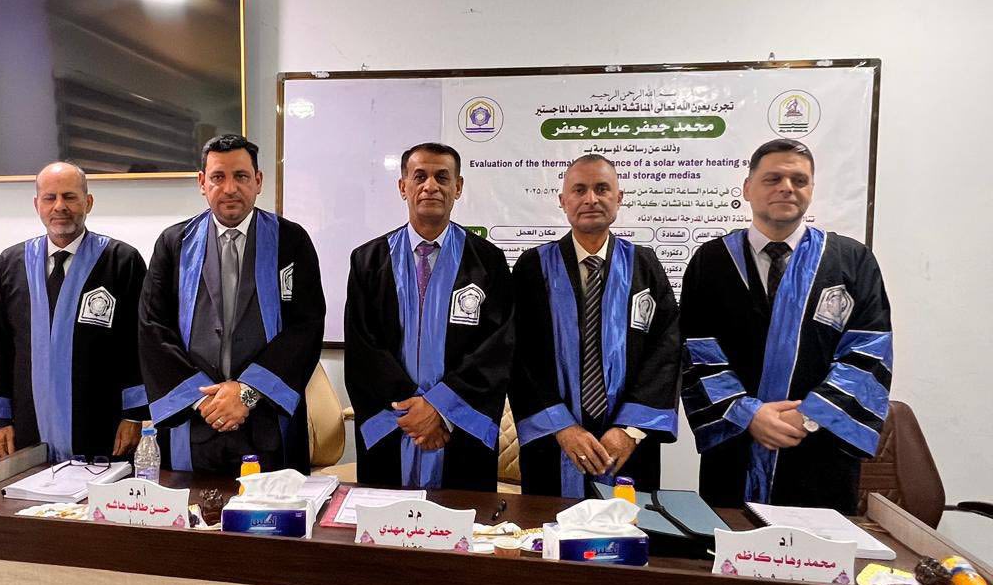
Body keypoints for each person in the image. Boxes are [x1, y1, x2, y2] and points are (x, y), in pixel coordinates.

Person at [680, 139, 893, 513]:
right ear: (748, 188)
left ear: (811, 189)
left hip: (818, 449)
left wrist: (809, 415)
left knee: (818, 548)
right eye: (773, 178)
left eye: (799, 180)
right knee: (730, 543)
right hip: (736, 448)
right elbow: (695, 352)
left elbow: (868, 353)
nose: (787, 188)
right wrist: (749, 414)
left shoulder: (851, 261)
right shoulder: (710, 262)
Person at [139, 135, 325, 474]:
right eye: (218, 177)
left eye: (240, 176)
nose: (229, 188)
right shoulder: (174, 244)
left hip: (267, 422)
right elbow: (153, 329)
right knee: (191, 506)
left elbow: (306, 327)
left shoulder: (291, 241)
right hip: (195, 422)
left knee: (273, 505)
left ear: (258, 181)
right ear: (202, 183)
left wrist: (247, 393)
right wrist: (204, 400)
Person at [345, 143, 513, 491]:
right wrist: (413, 414)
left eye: (442, 177)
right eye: (419, 176)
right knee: (383, 519)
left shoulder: (488, 262)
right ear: (403, 186)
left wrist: (441, 409)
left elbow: (495, 349)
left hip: (459, 430)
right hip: (392, 426)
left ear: (458, 187)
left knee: (463, 520)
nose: (430, 186)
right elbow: (364, 349)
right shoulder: (368, 261)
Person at [509, 154, 679, 498]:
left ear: (619, 197)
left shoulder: (644, 265)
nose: (591, 199)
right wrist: (562, 427)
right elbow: (519, 355)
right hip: (553, 442)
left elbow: (666, 351)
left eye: (602, 189)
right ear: (563, 200)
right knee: (548, 526)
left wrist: (629, 429)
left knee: (627, 525)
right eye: (579, 190)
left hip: (629, 447)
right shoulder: (533, 267)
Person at [0, 163, 148, 462]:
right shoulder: (11, 264)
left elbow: (137, 344)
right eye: (50, 198)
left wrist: (134, 415)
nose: (60, 206)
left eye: (70, 197)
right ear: (37, 204)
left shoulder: (122, 261)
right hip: (26, 423)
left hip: (102, 423)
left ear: (88, 202)